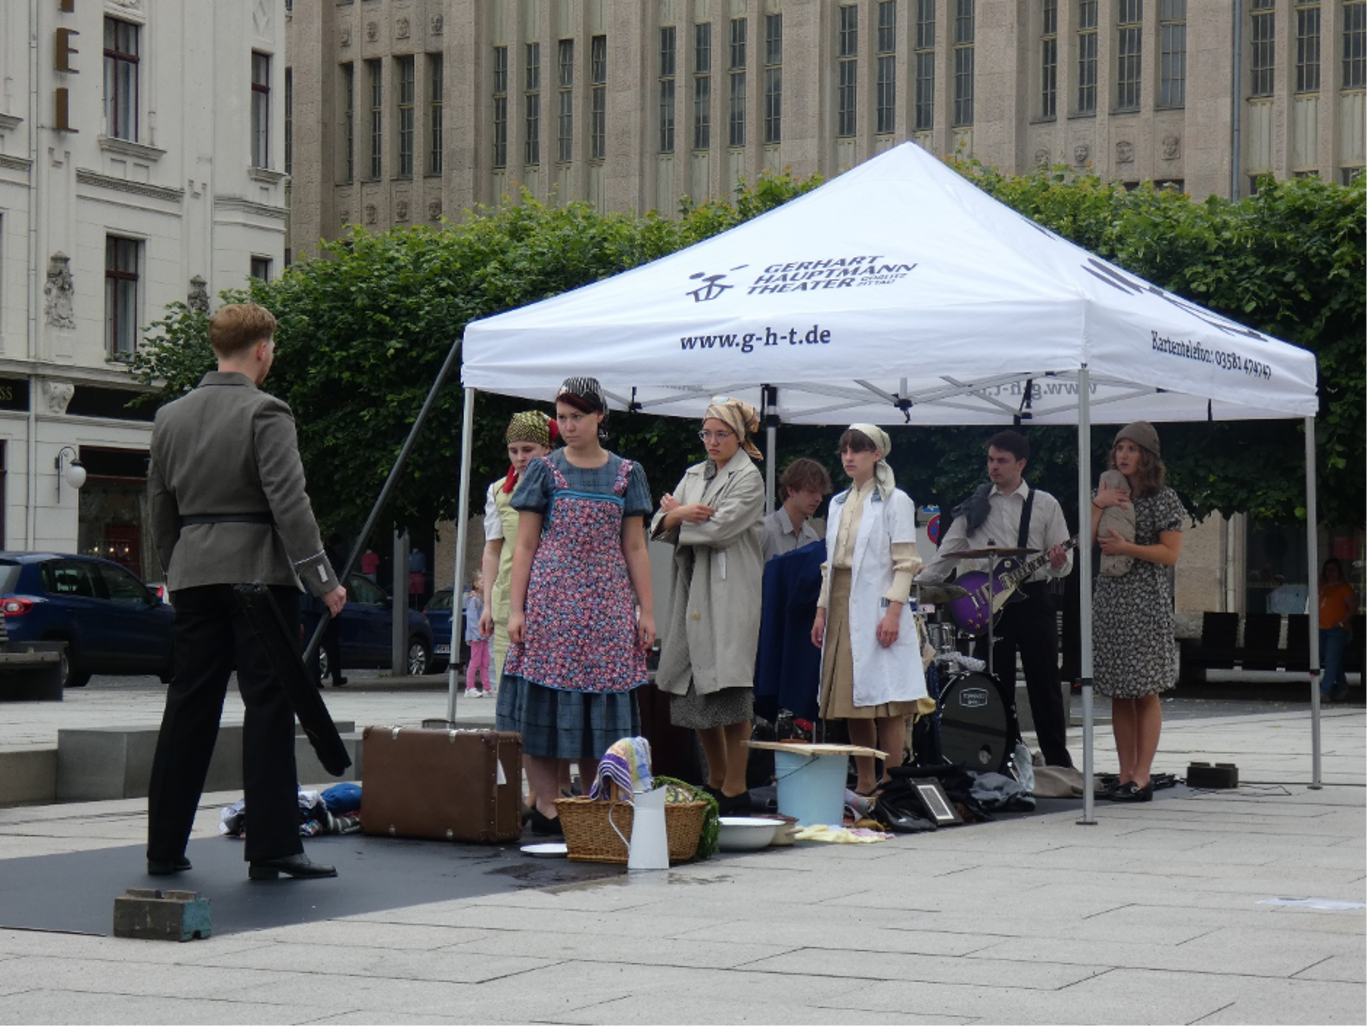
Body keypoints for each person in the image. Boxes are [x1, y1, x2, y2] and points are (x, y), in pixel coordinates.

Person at [145, 302, 346, 881]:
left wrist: (177, 567)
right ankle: (272, 846)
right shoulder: (267, 411)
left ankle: (164, 848)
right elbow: (289, 501)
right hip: (259, 574)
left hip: (194, 574)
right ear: (262, 349)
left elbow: (158, 504)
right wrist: (323, 579)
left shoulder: (170, 417)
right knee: (268, 705)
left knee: (188, 705)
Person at [497, 377, 656, 834]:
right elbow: (525, 545)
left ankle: (597, 802)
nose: (568, 426)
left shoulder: (628, 473)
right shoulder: (544, 471)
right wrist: (517, 609)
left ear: (599, 417)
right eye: (562, 418)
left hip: (607, 606)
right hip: (551, 606)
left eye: (577, 417)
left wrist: (646, 611)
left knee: (600, 709)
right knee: (543, 704)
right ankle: (547, 807)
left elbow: (636, 547)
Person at [918, 429, 1076, 768]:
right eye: (990, 460)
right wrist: (913, 587)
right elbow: (947, 555)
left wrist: (1059, 561)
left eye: (1002, 461)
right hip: (989, 604)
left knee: (1045, 681)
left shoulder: (1045, 504)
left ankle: (1058, 762)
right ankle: (999, 756)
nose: (994, 467)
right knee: (993, 683)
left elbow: (1064, 566)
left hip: (1034, 597)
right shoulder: (975, 506)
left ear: (1021, 464)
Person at [652, 398, 766, 814]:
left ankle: (737, 786)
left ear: (739, 436)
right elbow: (657, 525)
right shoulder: (694, 474)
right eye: (707, 433)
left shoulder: (749, 478)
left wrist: (678, 516)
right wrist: (680, 514)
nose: (712, 441)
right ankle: (716, 778)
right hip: (691, 588)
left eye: (722, 434)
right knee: (693, 688)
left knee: (730, 687)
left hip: (728, 591)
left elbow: (719, 529)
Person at [810, 425, 930, 795]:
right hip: (842, 601)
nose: (849, 457)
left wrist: (893, 612)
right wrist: (821, 609)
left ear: (877, 454)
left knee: (888, 700)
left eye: (858, 450)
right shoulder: (837, 503)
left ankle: (892, 782)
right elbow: (830, 563)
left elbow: (906, 562)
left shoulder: (896, 500)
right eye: (845, 450)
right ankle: (865, 782)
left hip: (878, 603)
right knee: (852, 700)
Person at [1091, 421, 1186, 802]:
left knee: (1145, 690)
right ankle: (1125, 772)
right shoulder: (1106, 492)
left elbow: (1170, 554)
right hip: (1111, 599)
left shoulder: (1163, 498)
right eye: (1119, 448)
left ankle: (1142, 776)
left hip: (1145, 600)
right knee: (1119, 690)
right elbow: (1086, 540)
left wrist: (1127, 548)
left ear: (1146, 456)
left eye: (1131, 449)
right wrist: (1098, 504)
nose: (1123, 455)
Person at [478, 411, 557, 690]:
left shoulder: (563, 488)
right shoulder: (499, 491)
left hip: (553, 599)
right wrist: (487, 605)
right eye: (513, 450)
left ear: (547, 448)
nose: (520, 457)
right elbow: (492, 550)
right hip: (507, 600)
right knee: (507, 686)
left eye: (528, 449)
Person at [762, 457, 833, 562]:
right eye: (811, 491)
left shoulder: (812, 537)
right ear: (790, 490)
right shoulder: (765, 531)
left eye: (821, 493)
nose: (819, 499)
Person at [1318, 558, 1356, 702]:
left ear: (1339, 571)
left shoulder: (1344, 588)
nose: (1330, 573)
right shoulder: (1322, 587)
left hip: (1337, 630)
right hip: (1321, 628)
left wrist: (1341, 622)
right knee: (1332, 660)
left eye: (1333, 570)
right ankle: (1343, 687)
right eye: (1327, 570)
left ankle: (1324, 691)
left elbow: (1352, 607)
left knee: (1331, 659)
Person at [318, 533, 347, 687]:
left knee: (316, 641)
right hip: (329, 603)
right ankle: (335, 675)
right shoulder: (332, 559)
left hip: (315, 605)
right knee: (332, 641)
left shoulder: (323, 557)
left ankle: (315, 677)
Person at [464, 570, 492, 698]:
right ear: (476, 584)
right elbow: (472, 619)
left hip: (484, 636)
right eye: (482, 582)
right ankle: (469, 687)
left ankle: (487, 687)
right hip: (476, 636)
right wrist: (476, 634)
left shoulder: (484, 599)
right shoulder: (474, 600)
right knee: (475, 661)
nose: (485, 584)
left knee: (485, 661)